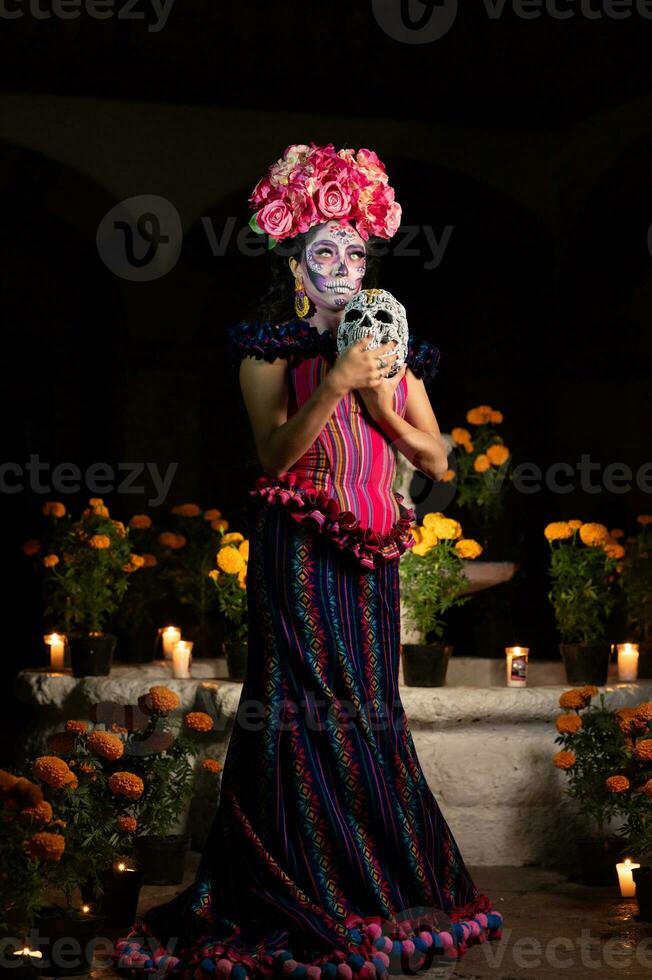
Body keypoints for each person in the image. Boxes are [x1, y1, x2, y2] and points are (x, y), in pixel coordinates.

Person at [114, 143, 504, 980]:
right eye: (323, 252)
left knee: (369, 714)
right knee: (301, 716)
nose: (341, 266)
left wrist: (376, 398)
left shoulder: (394, 355)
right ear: (296, 267)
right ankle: (302, 887)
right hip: (296, 554)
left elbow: (438, 463)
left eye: (354, 252)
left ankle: (376, 888)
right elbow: (273, 462)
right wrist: (332, 384)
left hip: (372, 561)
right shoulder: (268, 356)